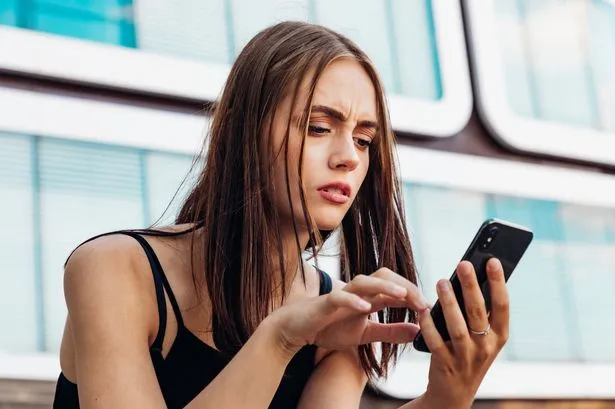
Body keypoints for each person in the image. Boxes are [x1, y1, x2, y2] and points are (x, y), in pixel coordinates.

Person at [53, 21, 509, 409]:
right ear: (240, 128)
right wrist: (278, 341)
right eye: (318, 127)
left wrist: (446, 398)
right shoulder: (116, 268)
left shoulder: (341, 315)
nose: (348, 156)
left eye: (363, 140)